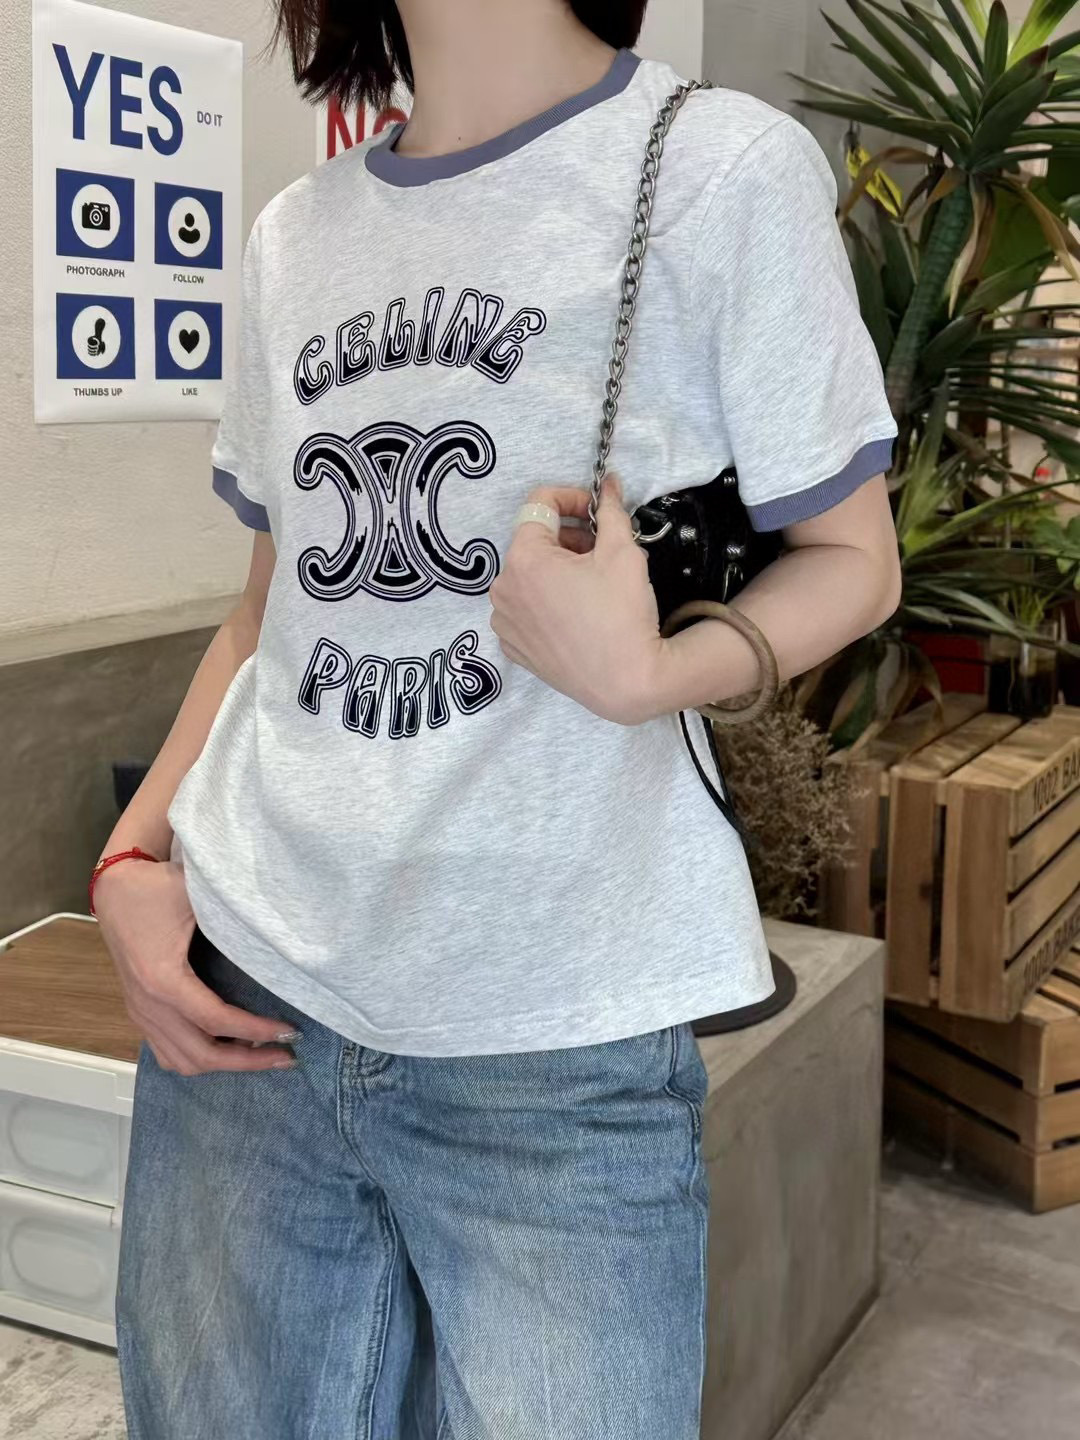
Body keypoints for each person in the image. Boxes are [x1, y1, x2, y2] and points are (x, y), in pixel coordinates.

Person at [97, 1, 901, 1435]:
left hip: (557, 1043)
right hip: (247, 1007)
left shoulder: (718, 170)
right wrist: (130, 861)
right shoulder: (296, 236)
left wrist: (651, 676)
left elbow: (855, 560)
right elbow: (264, 617)